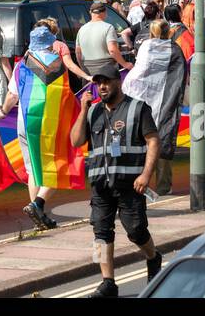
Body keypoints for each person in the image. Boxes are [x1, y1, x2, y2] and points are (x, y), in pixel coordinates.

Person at [69, 66, 162, 298]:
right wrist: (83, 109)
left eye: (106, 82)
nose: (102, 87)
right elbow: (76, 140)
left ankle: (153, 257)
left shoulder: (137, 108)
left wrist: (145, 175)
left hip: (130, 184)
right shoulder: (93, 112)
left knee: (136, 231)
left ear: (117, 81)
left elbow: (153, 141)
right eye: (98, 82)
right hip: (101, 184)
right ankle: (108, 282)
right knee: (101, 231)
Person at [0, 20, 88, 229]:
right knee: (61, 163)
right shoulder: (58, 65)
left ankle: (38, 217)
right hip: (52, 127)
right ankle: (37, 204)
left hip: (25, 125)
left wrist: (1, 112)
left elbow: (12, 95)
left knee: (33, 169)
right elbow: (65, 96)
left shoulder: (21, 65)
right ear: (50, 43)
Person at [123, 19, 186, 195]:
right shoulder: (174, 50)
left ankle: (137, 184)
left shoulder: (145, 47)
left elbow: (138, 71)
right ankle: (163, 186)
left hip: (142, 97)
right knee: (162, 137)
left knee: (142, 139)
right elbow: (179, 75)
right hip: (164, 99)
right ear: (169, 32)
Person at [77, 1, 133, 81]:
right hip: (107, 72)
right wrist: (125, 64)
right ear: (105, 12)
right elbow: (112, 50)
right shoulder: (108, 28)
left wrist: (83, 70)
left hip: (88, 73)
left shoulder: (81, 29)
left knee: (90, 93)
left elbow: (78, 53)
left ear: (90, 12)